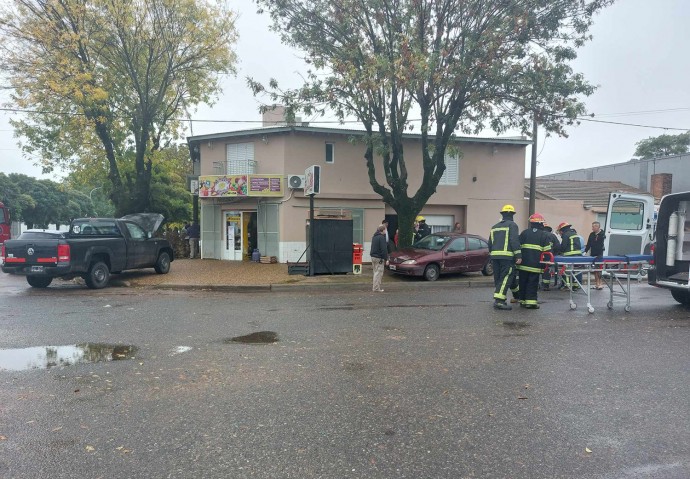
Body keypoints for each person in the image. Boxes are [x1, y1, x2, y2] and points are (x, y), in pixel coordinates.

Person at [488, 204, 522, 310]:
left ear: (502, 214)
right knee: (506, 277)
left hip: (495, 257)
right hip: (507, 257)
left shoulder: (494, 227)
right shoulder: (512, 225)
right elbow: (514, 240)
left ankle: (518, 296)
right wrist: (518, 255)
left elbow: (490, 243)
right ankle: (499, 301)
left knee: (501, 278)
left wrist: (492, 255)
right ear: (512, 214)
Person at [517, 213, 552, 309]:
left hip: (523, 265)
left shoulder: (524, 233)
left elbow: (518, 247)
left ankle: (522, 301)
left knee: (523, 282)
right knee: (532, 283)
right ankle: (531, 302)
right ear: (541, 224)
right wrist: (546, 264)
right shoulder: (544, 235)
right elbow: (547, 252)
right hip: (535, 265)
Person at [556, 222, 583, 289]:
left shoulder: (566, 235)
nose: (560, 233)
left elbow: (563, 246)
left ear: (562, 230)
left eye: (560, 231)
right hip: (578, 256)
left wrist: (559, 251)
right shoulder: (575, 234)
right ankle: (575, 285)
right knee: (575, 271)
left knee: (566, 271)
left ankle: (567, 285)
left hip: (569, 256)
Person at [585, 221, 606, 289]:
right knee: (594, 270)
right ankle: (597, 283)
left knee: (599, 269)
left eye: (593, 227)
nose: (592, 228)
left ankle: (600, 283)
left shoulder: (602, 234)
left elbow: (603, 244)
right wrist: (585, 251)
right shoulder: (591, 234)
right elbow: (588, 244)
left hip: (600, 254)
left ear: (598, 227)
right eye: (592, 226)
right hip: (593, 254)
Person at [541, 223, 561, 291]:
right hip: (549, 256)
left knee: (538, 269)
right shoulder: (553, 236)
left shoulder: (539, 234)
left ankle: (537, 284)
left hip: (539, 255)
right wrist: (554, 253)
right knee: (547, 269)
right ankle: (546, 285)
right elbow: (558, 246)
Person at [370, 224, 389, 292]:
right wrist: (386, 259)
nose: (386, 231)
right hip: (379, 258)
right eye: (385, 230)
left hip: (373, 256)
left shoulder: (374, 237)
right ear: (383, 230)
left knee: (375, 272)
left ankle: (375, 287)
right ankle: (376, 288)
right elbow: (384, 249)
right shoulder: (381, 238)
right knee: (379, 273)